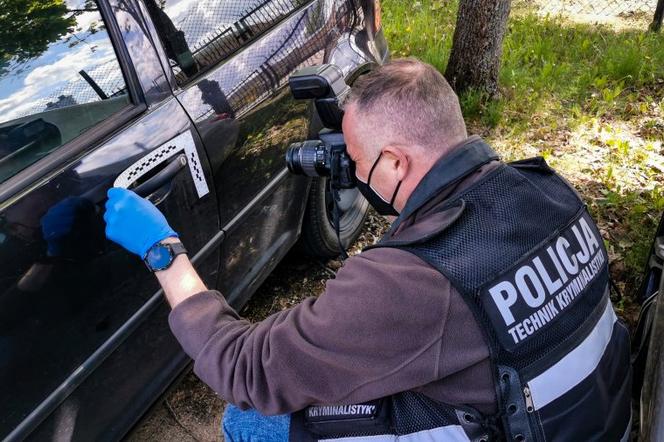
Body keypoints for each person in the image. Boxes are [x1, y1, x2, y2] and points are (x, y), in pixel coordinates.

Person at [104, 58, 632, 441]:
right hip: (591, 414)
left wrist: (164, 251)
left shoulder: (414, 281)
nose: (355, 175)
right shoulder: (546, 188)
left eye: (359, 160)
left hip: (512, 429)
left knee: (250, 420)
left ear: (397, 162)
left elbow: (248, 369)